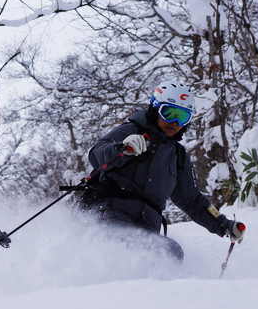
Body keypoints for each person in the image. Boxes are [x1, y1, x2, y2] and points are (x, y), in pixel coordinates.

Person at [84, 80, 246, 261]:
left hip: (147, 227)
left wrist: (224, 225)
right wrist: (122, 148)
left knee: (171, 252)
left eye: (183, 117)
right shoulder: (132, 131)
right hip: (111, 214)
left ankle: (162, 288)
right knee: (126, 243)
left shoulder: (177, 156)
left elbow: (191, 200)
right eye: (169, 113)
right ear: (155, 109)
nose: (175, 122)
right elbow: (95, 153)